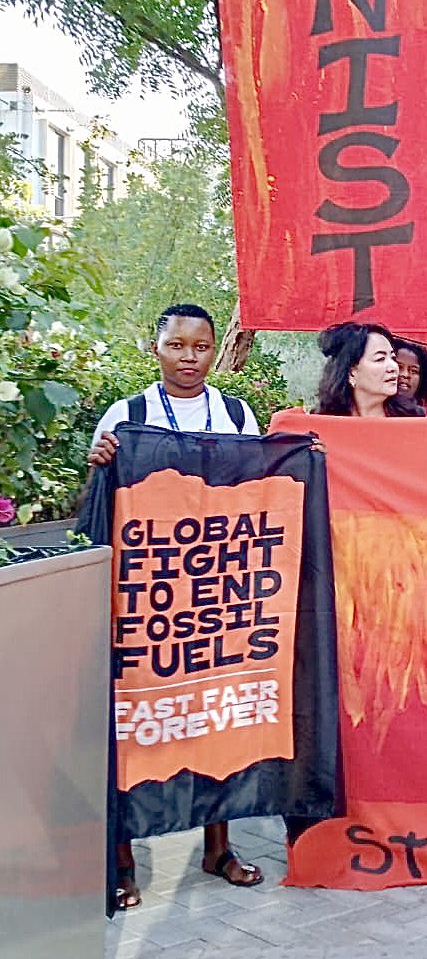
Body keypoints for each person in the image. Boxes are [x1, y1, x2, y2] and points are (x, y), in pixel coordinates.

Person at [87, 304, 263, 910]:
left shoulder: (238, 415)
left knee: (216, 719)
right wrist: (99, 468)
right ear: (155, 347)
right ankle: (122, 862)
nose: (189, 358)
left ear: (215, 351)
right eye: (177, 345)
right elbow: (98, 507)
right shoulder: (125, 416)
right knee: (137, 720)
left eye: (201, 347)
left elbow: (261, 493)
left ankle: (219, 848)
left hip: (216, 595)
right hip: (147, 598)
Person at [314, 322, 422, 417]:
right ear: (352, 373)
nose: (393, 367)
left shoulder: (412, 419)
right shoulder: (323, 421)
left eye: (393, 358)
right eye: (380, 359)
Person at [392, 337, 427, 411]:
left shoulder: (422, 417)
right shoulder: (375, 411)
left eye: (414, 371)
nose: (405, 375)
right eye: (399, 367)